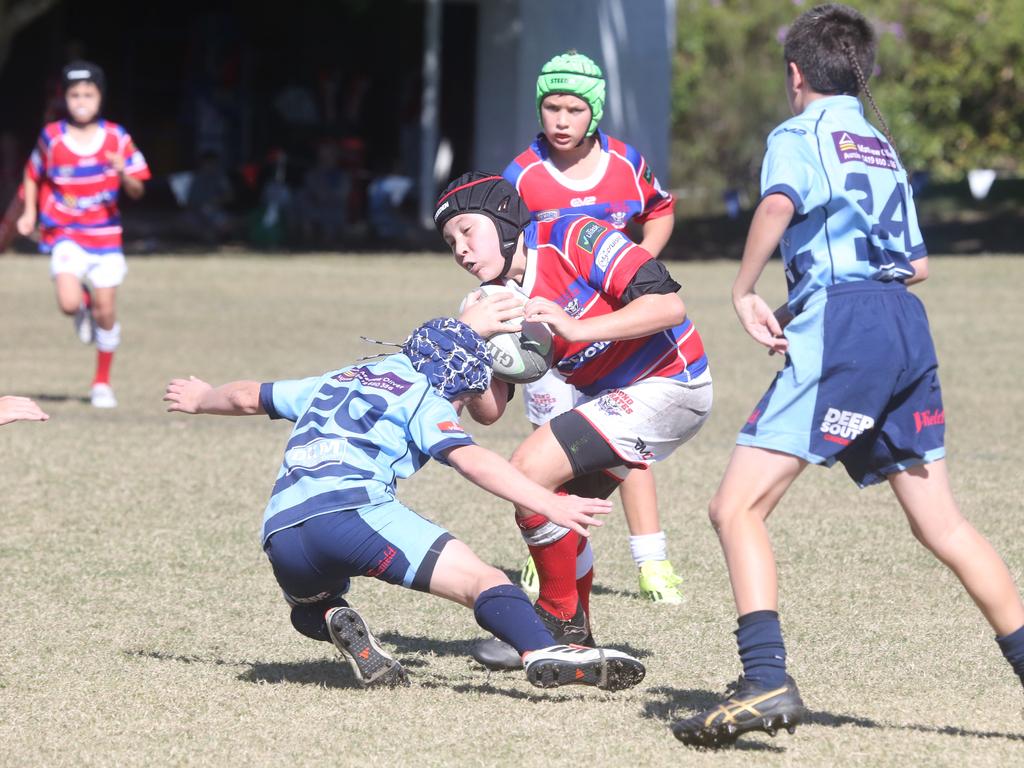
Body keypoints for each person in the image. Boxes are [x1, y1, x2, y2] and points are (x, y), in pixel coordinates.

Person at [671, 4, 1024, 748]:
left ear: (796, 74)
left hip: (847, 324)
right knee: (944, 524)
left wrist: (745, 290)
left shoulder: (798, 135)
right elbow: (918, 263)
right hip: (902, 324)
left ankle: (765, 678)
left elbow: (779, 201)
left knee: (735, 509)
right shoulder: (880, 144)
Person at [163, 317, 646, 691]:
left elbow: (250, 396)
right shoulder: (428, 396)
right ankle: (543, 651)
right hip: (355, 512)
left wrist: (203, 397)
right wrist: (548, 501)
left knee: (309, 604)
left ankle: (331, 617)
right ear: (458, 382)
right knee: (484, 581)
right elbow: (472, 460)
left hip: (282, 530)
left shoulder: (341, 377)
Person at [435, 172, 712, 669]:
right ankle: (575, 640)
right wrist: (469, 358)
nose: (460, 250)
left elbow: (669, 306)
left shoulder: (575, 237)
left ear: (502, 220)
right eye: (450, 241)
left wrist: (576, 328)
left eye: (466, 232)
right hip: (612, 398)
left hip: (671, 381)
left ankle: (557, 620)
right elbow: (491, 412)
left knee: (527, 476)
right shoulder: (490, 301)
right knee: (553, 505)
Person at [503, 50, 684, 604]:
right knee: (554, 445)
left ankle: (652, 563)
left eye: (574, 108)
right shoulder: (523, 175)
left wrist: (641, 269)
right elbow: (506, 250)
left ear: (595, 112)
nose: (560, 119)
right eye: (551, 107)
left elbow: (659, 212)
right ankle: (547, 557)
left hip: (621, 332)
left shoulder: (627, 163)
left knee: (628, 447)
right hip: (555, 339)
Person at [16, 61, 150, 409]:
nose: (81, 101)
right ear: (65, 98)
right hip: (66, 232)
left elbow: (138, 190)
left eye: (88, 94)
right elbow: (32, 174)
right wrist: (30, 213)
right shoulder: (52, 137)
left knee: (107, 311)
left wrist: (125, 175)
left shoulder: (117, 138)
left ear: (100, 97)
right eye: (74, 94)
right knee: (68, 302)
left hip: (105, 237)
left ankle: (102, 383)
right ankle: (82, 307)